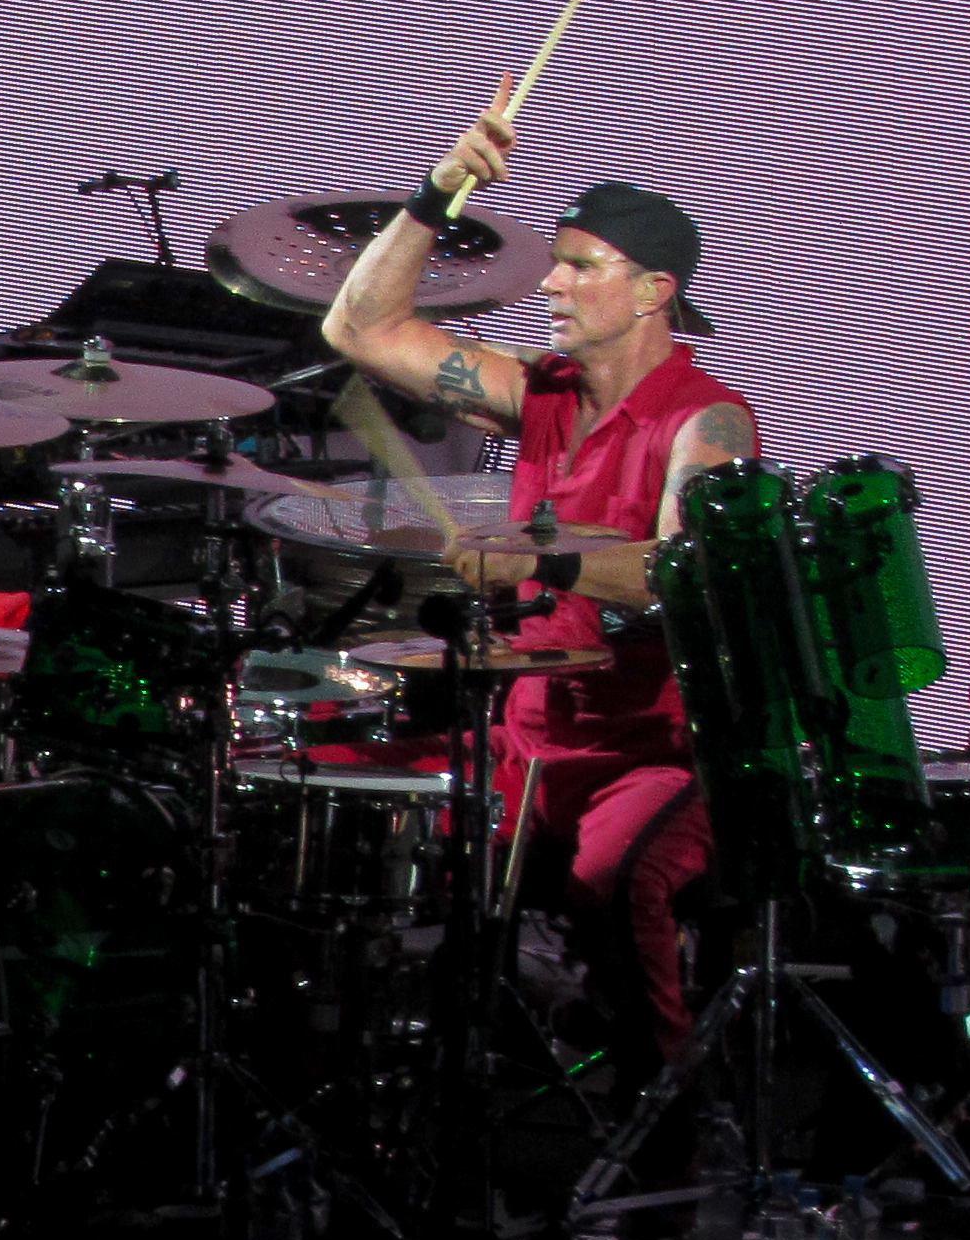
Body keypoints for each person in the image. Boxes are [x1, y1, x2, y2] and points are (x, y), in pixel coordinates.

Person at [322, 83, 755, 1073]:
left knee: (615, 881)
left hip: (651, 752)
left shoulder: (708, 422)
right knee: (338, 791)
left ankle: (664, 1122)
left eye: (579, 267)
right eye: (555, 264)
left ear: (652, 291)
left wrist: (542, 559)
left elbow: (679, 574)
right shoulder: (539, 393)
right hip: (529, 738)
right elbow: (358, 329)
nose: (550, 284)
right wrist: (439, 194)